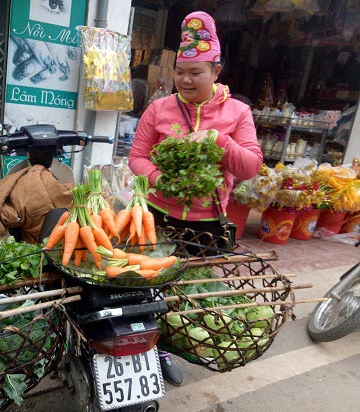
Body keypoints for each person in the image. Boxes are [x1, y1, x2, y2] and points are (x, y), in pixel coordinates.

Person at [128, 11, 263, 386]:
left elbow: (251, 166)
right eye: (181, 72)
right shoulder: (159, 109)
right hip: (158, 216)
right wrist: (158, 179)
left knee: (189, 292)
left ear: (216, 71)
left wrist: (219, 141)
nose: (185, 80)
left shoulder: (238, 113)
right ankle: (155, 348)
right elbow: (137, 156)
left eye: (196, 72)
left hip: (206, 223)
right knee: (149, 287)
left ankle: (175, 344)